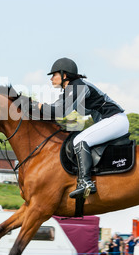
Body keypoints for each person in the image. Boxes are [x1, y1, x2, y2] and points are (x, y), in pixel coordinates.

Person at [36, 57, 129, 198]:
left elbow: (61, 111)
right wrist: (35, 107)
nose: (51, 79)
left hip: (115, 120)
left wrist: (40, 106)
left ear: (64, 75)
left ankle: (85, 182)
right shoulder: (69, 90)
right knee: (78, 136)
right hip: (111, 121)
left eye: (54, 75)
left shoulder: (78, 86)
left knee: (79, 140)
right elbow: (55, 108)